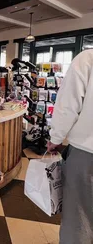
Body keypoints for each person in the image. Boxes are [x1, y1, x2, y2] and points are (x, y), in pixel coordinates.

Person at [48, 50, 93, 244]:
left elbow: (67, 106)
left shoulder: (87, 59)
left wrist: (55, 138)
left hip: (87, 153)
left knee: (79, 221)